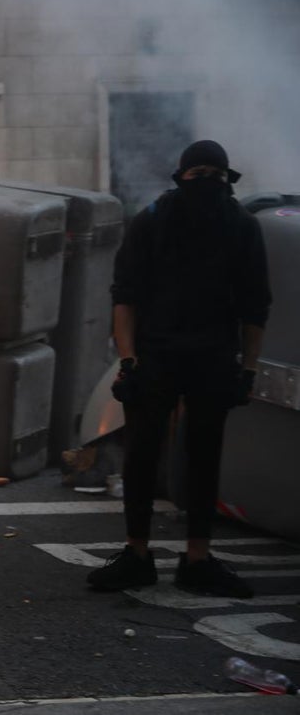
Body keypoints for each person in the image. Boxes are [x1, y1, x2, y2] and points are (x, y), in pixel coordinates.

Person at [88, 140, 271, 599]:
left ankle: (197, 559)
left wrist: (248, 369)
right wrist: (129, 361)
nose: (207, 182)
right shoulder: (153, 220)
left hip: (212, 357)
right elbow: (125, 296)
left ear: (227, 180)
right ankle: (137, 554)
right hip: (157, 355)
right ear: (182, 177)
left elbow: (255, 306)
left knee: (203, 457)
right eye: (198, 174)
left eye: (216, 175)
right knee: (142, 455)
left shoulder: (241, 226)